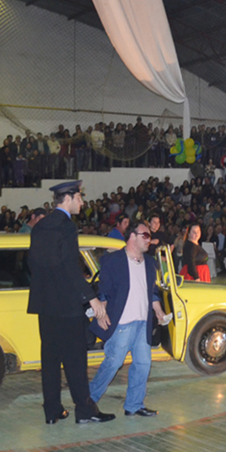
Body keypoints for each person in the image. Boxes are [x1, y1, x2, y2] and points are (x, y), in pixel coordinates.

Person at [27, 181, 113, 425]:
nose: (82, 203)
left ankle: (52, 411)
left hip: (45, 305)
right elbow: (70, 268)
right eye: (80, 198)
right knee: (76, 361)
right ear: (69, 198)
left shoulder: (40, 225)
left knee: (51, 359)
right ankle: (85, 411)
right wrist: (91, 297)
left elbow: (32, 264)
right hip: (66, 306)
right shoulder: (66, 227)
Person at [88, 221, 172, 417]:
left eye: (150, 237)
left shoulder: (150, 263)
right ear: (132, 236)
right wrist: (101, 313)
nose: (149, 240)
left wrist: (158, 311)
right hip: (122, 324)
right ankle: (88, 401)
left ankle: (134, 405)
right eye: (145, 236)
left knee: (143, 364)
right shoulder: (113, 261)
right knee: (113, 363)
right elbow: (105, 291)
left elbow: (151, 292)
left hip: (143, 323)